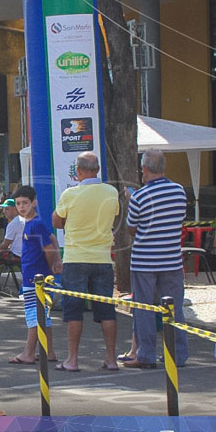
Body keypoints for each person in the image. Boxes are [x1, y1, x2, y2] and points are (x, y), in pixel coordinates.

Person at [52, 151, 120, 372]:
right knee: (106, 310)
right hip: (102, 258)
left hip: (75, 258)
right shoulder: (111, 192)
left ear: (78, 171)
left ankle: (72, 359)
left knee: (73, 310)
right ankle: (111, 358)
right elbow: (115, 215)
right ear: (98, 170)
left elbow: (57, 221)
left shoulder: (70, 194)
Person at [124, 150, 189, 369]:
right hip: (171, 259)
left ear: (144, 169)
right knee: (175, 308)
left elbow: (132, 229)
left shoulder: (139, 197)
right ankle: (178, 354)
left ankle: (146, 354)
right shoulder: (179, 191)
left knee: (144, 308)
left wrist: (131, 199)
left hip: (144, 260)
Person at [8, 186, 61, 364]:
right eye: (18, 204)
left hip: (35, 277)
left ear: (34, 203)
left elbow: (48, 247)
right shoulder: (31, 223)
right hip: (36, 275)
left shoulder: (35, 224)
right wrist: (55, 262)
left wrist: (51, 263)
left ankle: (28, 353)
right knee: (43, 315)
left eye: (25, 203)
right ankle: (49, 351)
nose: (22, 207)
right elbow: (52, 238)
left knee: (33, 315)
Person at [0, 198, 24, 291]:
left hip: (17, 255)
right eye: (4, 209)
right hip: (24, 253)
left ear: (15, 209)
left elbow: (5, 245)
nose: (4, 211)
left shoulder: (14, 223)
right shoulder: (23, 220)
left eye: (7, 209)